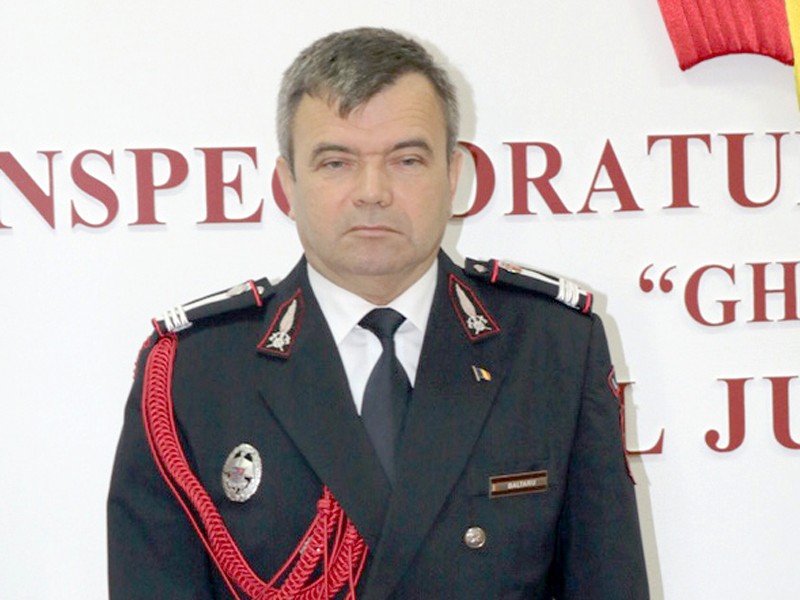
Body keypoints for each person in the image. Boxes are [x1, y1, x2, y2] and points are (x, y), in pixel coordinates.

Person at [107, 27, 649, 599]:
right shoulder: (193, 374)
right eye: (336, 162)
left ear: (453, 176)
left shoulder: (552, 349)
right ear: (288, 183)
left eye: (407, 160)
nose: (372, 192)